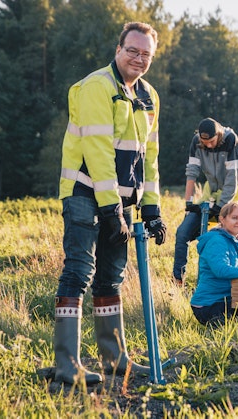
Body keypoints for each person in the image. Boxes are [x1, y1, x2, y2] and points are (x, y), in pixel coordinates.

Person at [53, 21, 167, 385]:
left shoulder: (148, 96)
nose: (138, 58)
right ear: (118, 50)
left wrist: (151, 208)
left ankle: (115, 359)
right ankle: (67, 365)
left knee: (111, 278)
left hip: (121, 202)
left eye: (145, 54)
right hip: (86, 193)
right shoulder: (96, 87)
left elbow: (149, 156)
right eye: (132, 50)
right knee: (79, 271)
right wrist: (110, 208)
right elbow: (98, 151)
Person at [172, 117, 238, 286]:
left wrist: (221, 207)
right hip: (209, 195)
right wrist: (189, 202)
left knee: (230, 238)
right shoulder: (197, 141)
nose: (209, 145)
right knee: (182, 233)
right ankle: (178, 279)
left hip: (230, 197)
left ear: (218, 135)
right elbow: (192, 172)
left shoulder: (230, 140)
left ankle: (232, 280)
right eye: (205, 142)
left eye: (211, 141)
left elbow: (232, 178)